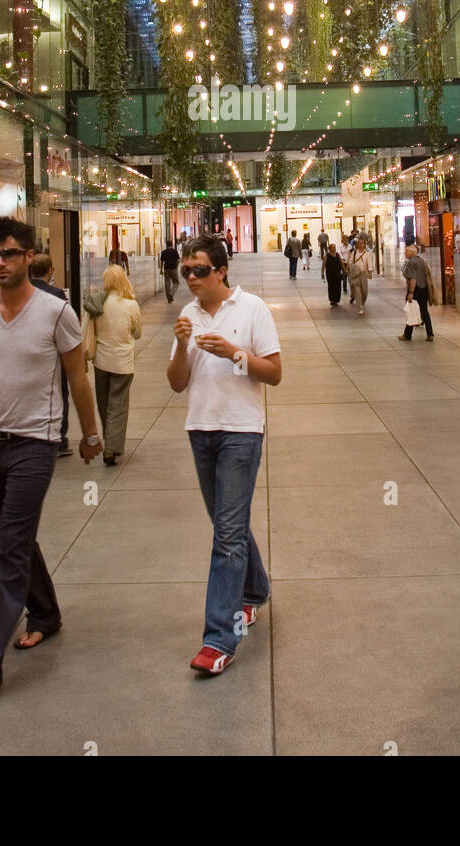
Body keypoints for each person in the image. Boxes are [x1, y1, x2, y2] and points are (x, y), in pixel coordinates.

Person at [0, 217, 102, 697]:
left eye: (9, 254)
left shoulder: (57, 312)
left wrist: (90, 434)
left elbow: (78, 376)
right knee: (8, 534)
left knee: (9, 547)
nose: (0, 263)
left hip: (36, 444)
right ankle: (47, 612)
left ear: (28, 256)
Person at [167, 234, 281, 675]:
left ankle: (219, 637)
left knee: (227, 535)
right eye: (186, 271)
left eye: (198, 270)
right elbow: (177, 383)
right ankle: (254, 591)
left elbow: (274, 373)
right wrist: (182, 346)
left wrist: (235, 355)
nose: (191, 278)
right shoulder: (187, 316)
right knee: (226, 524)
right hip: (201, 430)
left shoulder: (252, 309)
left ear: (220, 270)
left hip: (241, 431)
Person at [92, 265, 142, 465]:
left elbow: (87, 330)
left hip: (101, 361)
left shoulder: (96, 302)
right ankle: (111, 447)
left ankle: (109, 442)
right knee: (118, 405)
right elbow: (137, 333)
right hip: (122, 362)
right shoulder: (131, 305)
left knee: (104, 404)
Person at [29, 252, 72, 456]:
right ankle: (59, 438)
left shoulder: (21, 294)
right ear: (50, 271)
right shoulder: (57, 295)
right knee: (59, 394)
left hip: (29, 357)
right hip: (54, 356)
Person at [398, 244, 436, 342]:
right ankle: (430, 333)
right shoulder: (421, 261)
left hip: (416, 289)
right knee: (424, 311)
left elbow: (413, 279)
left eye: (407, 251)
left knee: (411, 311)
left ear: (412, 253)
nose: (405, 253)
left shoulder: (411, 262)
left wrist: (411, 292)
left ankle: (407, 334)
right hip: (424, 288)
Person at [347, 234, 374, 316]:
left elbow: (370, 264)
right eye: (359, 243)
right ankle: (360, 307)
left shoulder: (367, 254)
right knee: (357, 290)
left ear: (365, 244)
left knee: (364, 291)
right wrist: (352, 268)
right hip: (355, 274)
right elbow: (350, 262)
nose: (361, 245)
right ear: (357, 244)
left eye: (362, 243)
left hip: (363, 273)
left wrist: (370, 273)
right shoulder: (354, 253)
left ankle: (362, 302)